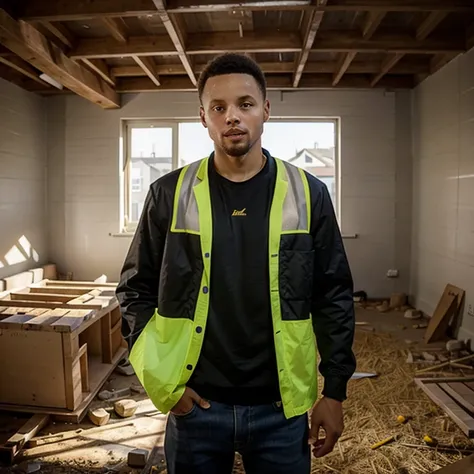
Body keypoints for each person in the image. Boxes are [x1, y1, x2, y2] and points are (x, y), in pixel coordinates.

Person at [115, 52, 356, 474]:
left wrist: (334, 391)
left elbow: (333, 293)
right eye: (218, 107)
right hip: (196, 409)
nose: (232, 117)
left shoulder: (308, 193)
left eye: (245, 104)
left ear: (266, 110)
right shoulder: (169, 194)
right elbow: (135, 291)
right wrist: (166, 384)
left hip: (281, 410)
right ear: (203, 117)